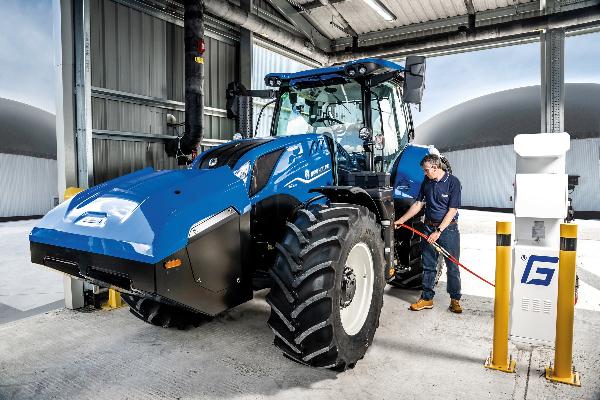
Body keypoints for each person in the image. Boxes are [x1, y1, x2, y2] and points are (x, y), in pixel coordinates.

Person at [394, 154, 463, 313]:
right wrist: (402, 220)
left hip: (447, 230)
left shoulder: (453, 182)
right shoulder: (427, 181)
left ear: (435, 167)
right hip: (428, 227)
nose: (424, 173)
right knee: (428, 265)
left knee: (452, 266)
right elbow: (418, 204)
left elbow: (452, 211)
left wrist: (438, 232)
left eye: (426, 170)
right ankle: (427, 298)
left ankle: (455, 299)